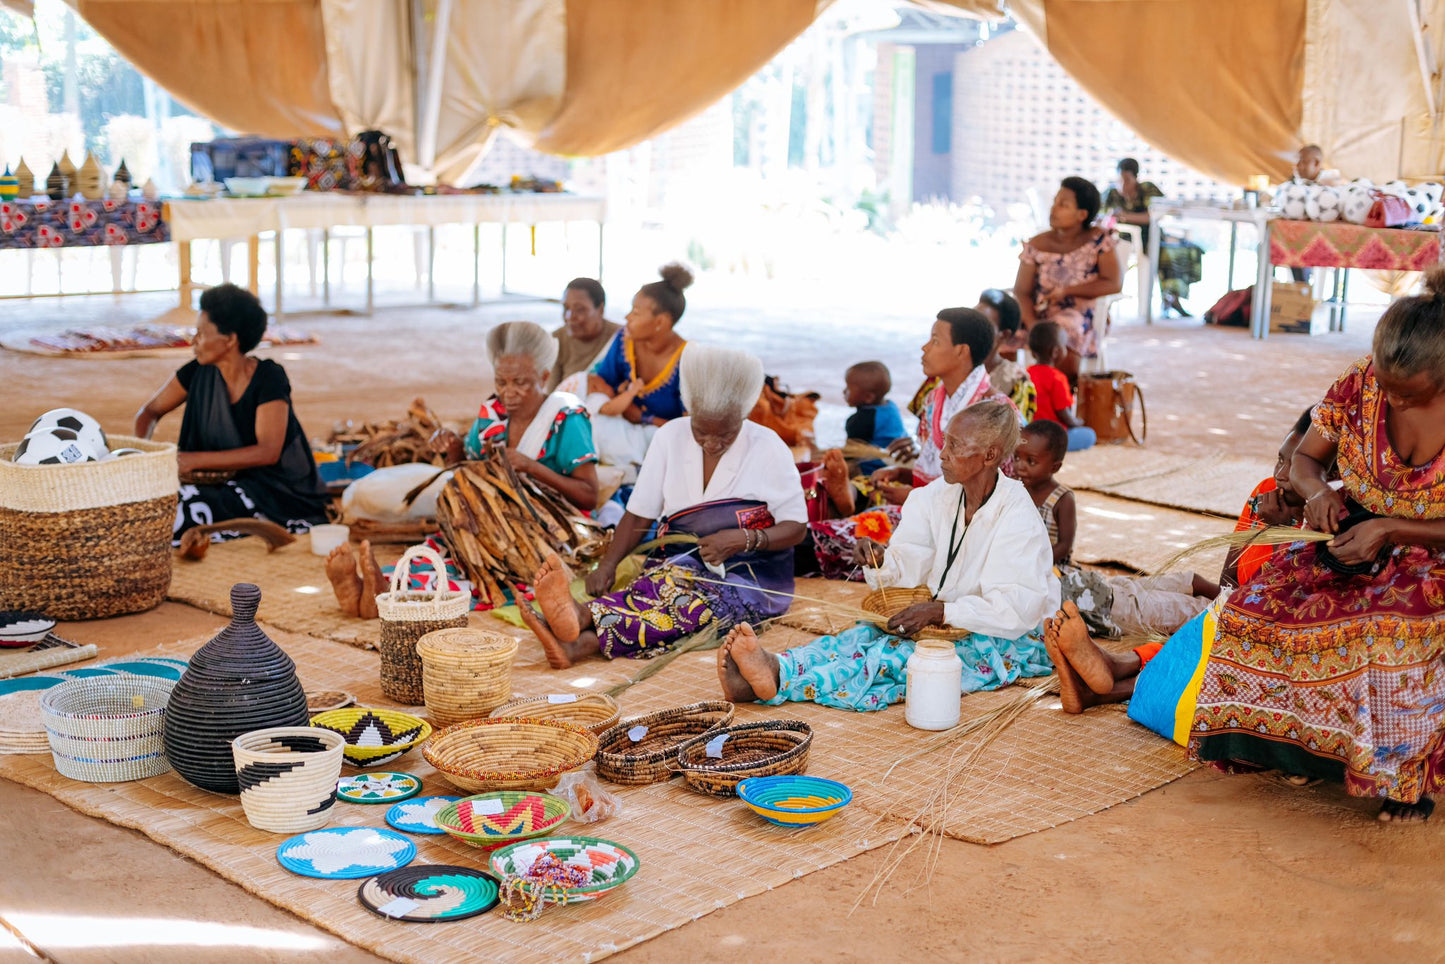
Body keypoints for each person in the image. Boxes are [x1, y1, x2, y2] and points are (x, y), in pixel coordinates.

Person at [1050, 270, 1445, 824]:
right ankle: (1307, 750)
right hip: (1350, 537)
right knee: (1250, 609)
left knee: (1391, 630)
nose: (1394, 400)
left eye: (1411, 393)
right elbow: (1305, 459)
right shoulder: (1360, 384)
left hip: (1433, 555)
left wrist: (1393, 530)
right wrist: (1315, 495)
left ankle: (1408, 781)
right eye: (1387, 384)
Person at [716, 401, 1058, 711]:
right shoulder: (937, 497)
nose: (942, 453)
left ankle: (778, 682)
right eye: (945, 441)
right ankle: (778, 666)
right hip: (948, 620)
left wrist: (942, 611)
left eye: (955, 445)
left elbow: (1016, 609)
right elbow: (912, 562)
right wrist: (882, 560)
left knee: (895, 660)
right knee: (862, 636)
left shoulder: (1016, 515)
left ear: (990, 455)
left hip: (1010, 637)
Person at [519, 345, 807, 668]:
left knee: (693, 606)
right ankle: (577, 641)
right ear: (688, 411)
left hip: (751, 577)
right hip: (678, 565)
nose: (711, 443)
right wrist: (608, 565)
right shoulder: (669, 437)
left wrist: (743, 540)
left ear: (743, 415)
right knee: (656, 590)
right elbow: (640, 512)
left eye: (725, 434)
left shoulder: (769, 447)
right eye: (701, 431)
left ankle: (582, 623)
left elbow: (796, 527)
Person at [135, 283, 328, 547]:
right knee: (152, 501)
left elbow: (268, 451)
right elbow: (149, 413)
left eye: (201, 334)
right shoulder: (195, 374)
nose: (194, 342)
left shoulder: (268, 378)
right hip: (216, 484)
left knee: (176, 511)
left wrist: (192, 460)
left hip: (270, 492)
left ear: (230, 340)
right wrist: (141, 455)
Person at [1015, 420, 1216, 638]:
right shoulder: (1016, 493)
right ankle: (1189, 583)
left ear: (1055, 466)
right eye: (1017, 458)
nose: (1020, 466)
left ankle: (1220, 600)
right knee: (1127, 592)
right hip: (1076, 587)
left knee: (1143, 607)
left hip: (1071, 582)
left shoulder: (1061, 499)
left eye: (1031, 461)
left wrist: (1034, 560)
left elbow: (1064, 545)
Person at [430, 321, 600, 513]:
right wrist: (453, 449)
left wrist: (531, 467)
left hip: (559, 527)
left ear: (544, 378)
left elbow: (589, 497)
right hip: (500, 525)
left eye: (520, 382)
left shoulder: (567, 418)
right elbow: (466, 477)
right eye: (500, 382)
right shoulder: (493, 416)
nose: (508, 392)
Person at [585, 263, 693, 484]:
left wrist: (644, 418)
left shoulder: (688, 359)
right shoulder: (624, 339)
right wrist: (619, 401)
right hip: (620, 435)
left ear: (660, 322)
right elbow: (601, 385)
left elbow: (691, 428)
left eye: (635, 312)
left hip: (664, 445)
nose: (627, 318)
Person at [1015, 176, 1122, 380]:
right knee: (999, 328)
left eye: (1063, 204)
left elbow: (1113, 283)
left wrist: (1067, 291)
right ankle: (1005, 400)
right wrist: (1033, 325)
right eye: (1055, 201)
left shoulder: (1099, 240)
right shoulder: (1036, 244)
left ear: (1082, 214)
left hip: (1079, 313)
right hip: (1036, 314)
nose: (1054, 209)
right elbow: (1021, 291)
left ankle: (1058, 401)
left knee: (1063, 331)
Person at [1219, 407, 1314, 589]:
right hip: (1228, 609)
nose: (1280, 474)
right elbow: (1228, 579)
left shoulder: (1327, 522)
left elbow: (1288, 598)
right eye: (1280, 460)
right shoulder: (1265, 490)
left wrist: (1279, 532)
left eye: (1295, 466)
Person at [1103, 158, 1202, 317]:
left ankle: (1172, 298)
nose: (1123, 184)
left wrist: (1126, 216)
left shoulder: (1147, 189)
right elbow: (1103, 216)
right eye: (1120, 180)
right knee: (1162, 252)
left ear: (1136, 178)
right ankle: (1169, 299)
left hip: (1152, 236)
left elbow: (1155, 215)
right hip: (1126, 239)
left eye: (1127, 180)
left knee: (1185, 250)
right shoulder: (1111, 193)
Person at [1027, 322, 1096, 452]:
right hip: (1053, 436)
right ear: (1056, 352)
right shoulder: (1057, 378)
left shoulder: (1026, 374)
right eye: (1065, 346)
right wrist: (1077, 422)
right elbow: (1064, 415)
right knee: (1090, 435)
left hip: (1029, 433)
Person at [548, 277, 620, 391]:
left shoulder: (620, 338)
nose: (570, 317)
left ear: (600, 309)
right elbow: (550, 394)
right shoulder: (556, 340)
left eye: (580, 309)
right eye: (566, 308)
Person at [978, 288, 1035, 420]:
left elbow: (1016, 432)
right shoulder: (952, 364)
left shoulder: (1017, 379)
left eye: (982, 323)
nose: (971, 327)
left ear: (1004, 335)